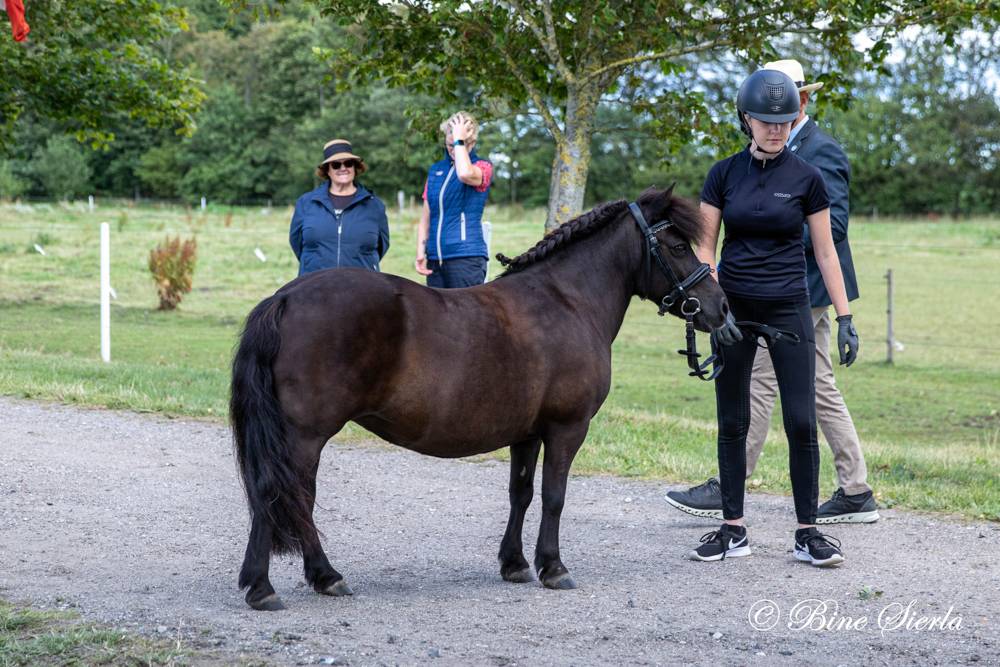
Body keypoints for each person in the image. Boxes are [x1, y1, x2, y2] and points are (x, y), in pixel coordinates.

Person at [666, 60, 877, 525]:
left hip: (802, 291)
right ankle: (854, 488)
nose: (778, 119)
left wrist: (771, 243)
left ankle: (732, 488)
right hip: (751, 292)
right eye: (767, 112)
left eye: (787, 102)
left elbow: (833, 229)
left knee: (778, 388)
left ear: (801, 99)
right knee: (810, 386)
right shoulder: (733, 168)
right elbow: (707, 242)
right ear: (750, 115)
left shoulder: (820, 153)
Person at [415, 111, 493, 288]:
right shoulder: (435, 171)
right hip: (435, 260)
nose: (453, 149)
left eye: (459, 143)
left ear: (471, 142)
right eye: (449, 144)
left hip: (466, 259)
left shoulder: (482, 167)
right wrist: (421, 252)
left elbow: (464, 173)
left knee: (466, 316)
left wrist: (459, 141)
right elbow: (426, 218)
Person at [290, 138, 389, 276]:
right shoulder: (306, 203)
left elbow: (382, 246)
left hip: (363, 286)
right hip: (314, 286)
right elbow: (297, 243)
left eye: (348, 163)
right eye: (336, 165)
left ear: (355, 168)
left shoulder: (374, 206)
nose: (343, 168)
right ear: (327, 171)